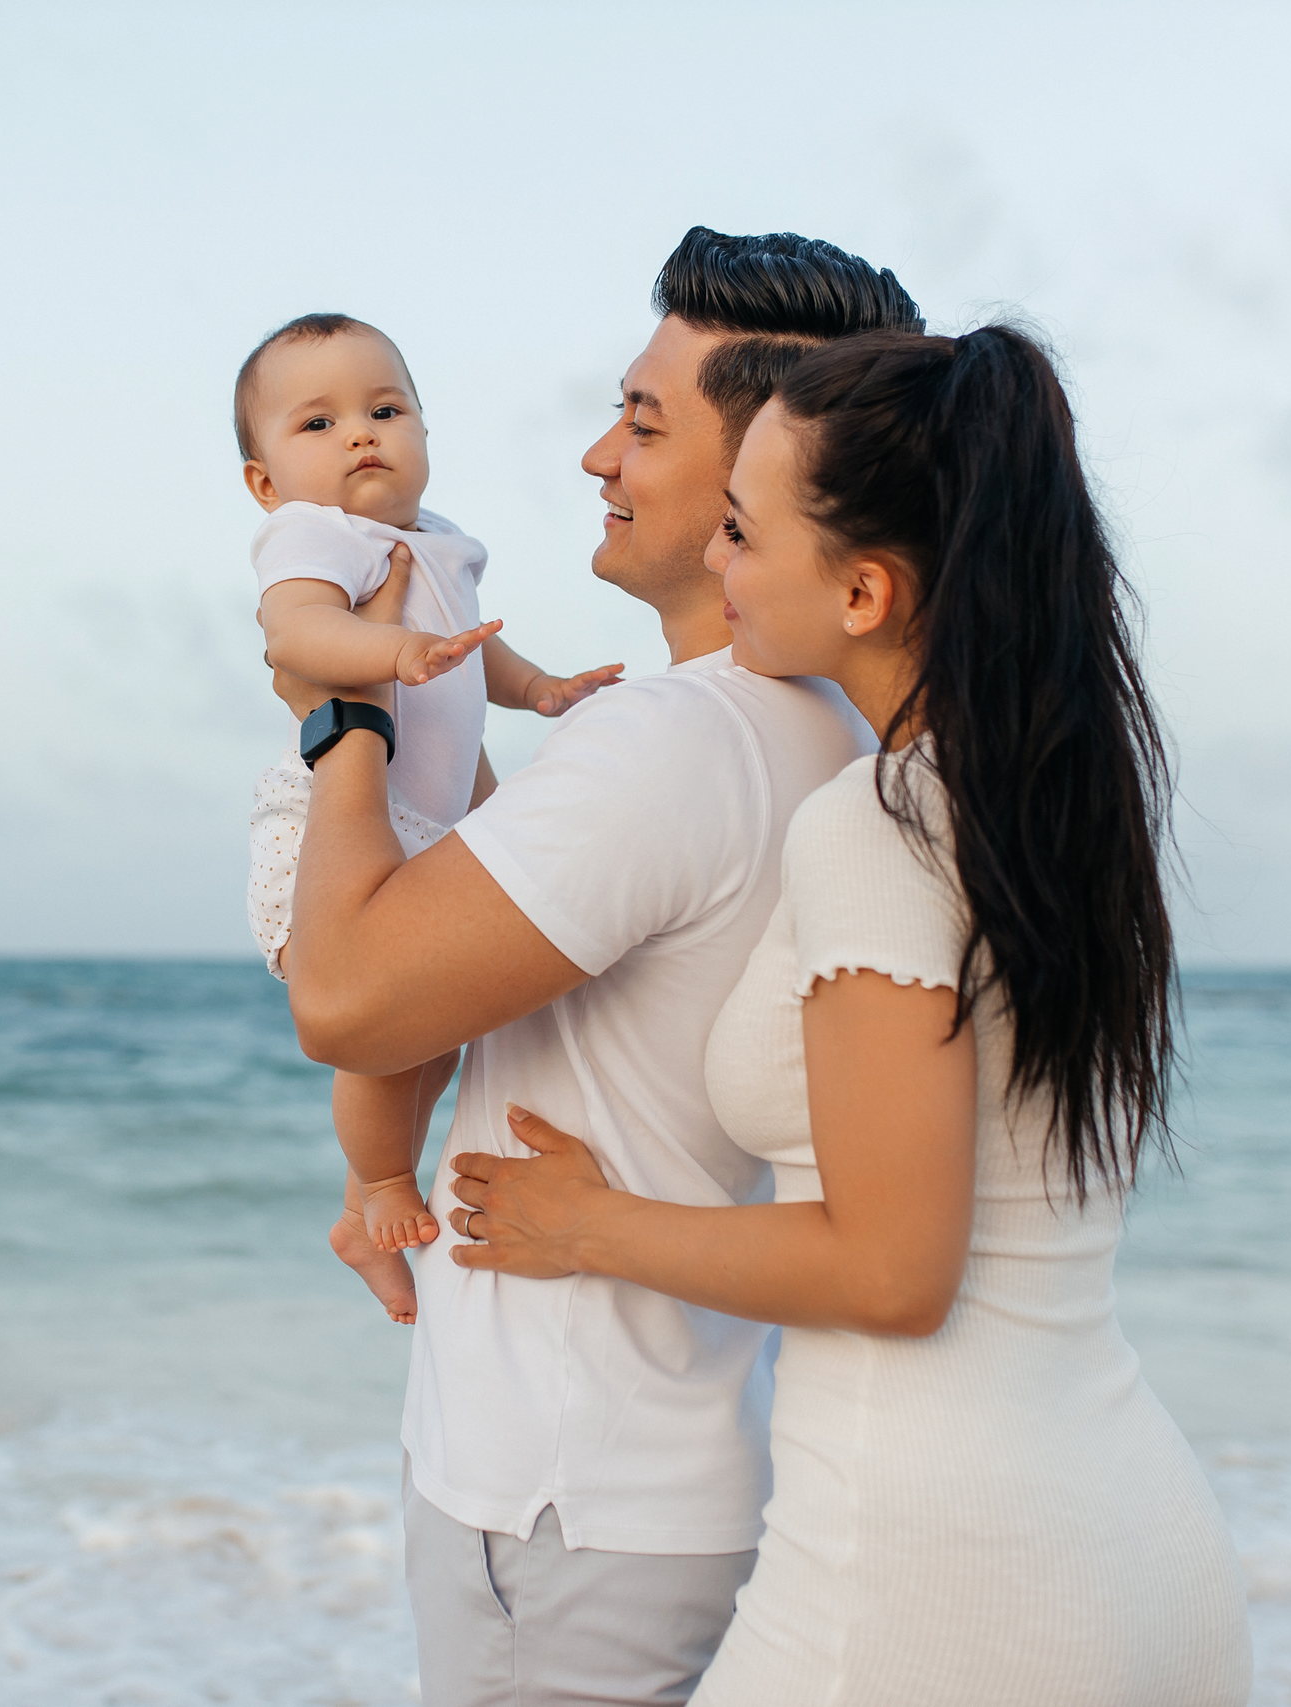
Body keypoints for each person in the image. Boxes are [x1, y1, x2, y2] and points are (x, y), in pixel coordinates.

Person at [446, 326, 1255, 1703]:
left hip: (932, 1578)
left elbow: (892, 1270)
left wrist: (589, 1225)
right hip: (1137, 1550)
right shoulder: (1052, 810)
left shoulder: (877, 829)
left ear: (867, 587)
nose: (718, 560)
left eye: (747, 534)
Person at [273, 228, 919, 1706]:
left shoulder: (677, 737)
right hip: (678, 1464)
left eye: (641, 422)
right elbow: (482, 929)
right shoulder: (826, 734)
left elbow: (347, 995)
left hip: (562, 1498)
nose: (592, 456)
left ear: (777, 471)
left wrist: (340, 715)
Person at [236, 311, 624, 1323]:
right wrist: (388, 659)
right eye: (315, 424)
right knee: (379, 1030)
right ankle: (375, 1189)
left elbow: (472, 644)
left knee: (433, 1022)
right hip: (328, 821)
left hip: (428, 820)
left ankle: (361, 1210)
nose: (360, 434)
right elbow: (299, 630)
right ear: (264, 482)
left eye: (384, 409)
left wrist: (536, 687)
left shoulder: (437, 543)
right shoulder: (312, 536)